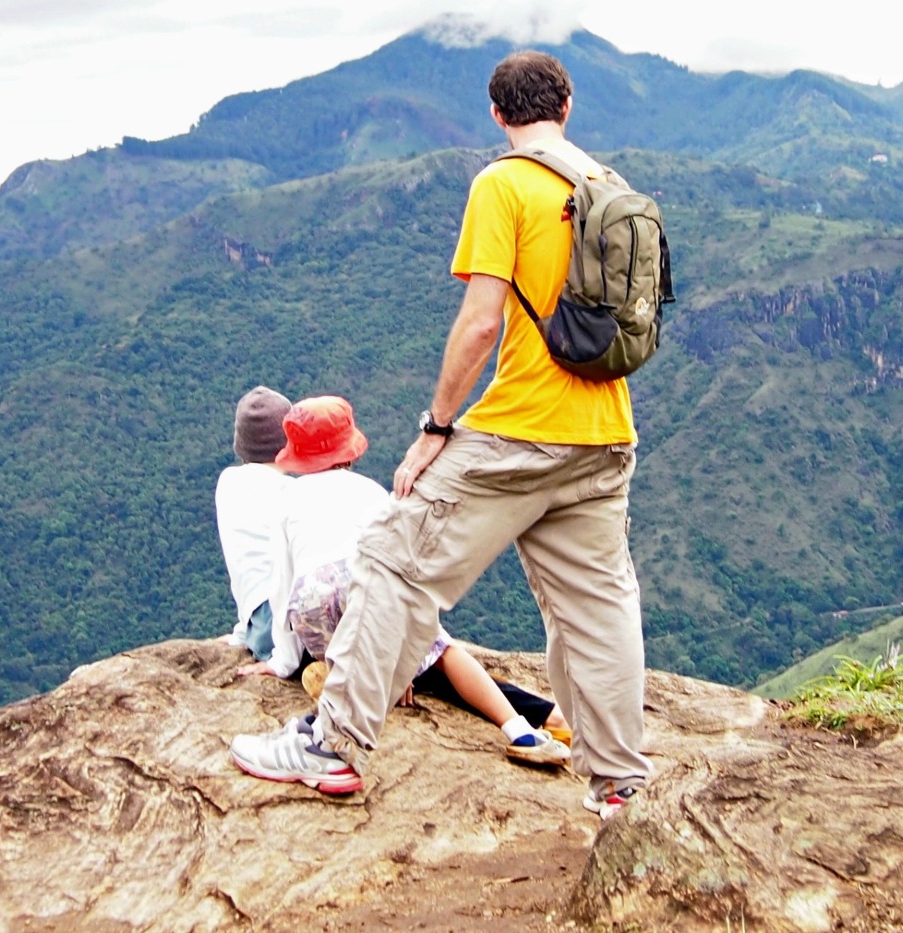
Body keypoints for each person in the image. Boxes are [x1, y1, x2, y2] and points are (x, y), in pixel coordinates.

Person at [242, 50, 653, 819]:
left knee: (393, 562)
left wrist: (436, 426)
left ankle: (332, 746)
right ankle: (621, 784)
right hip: (606, 435)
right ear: (567, 105)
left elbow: (481, 322)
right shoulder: (607, 185)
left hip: (520, 431)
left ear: (498, 115)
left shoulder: (503, 184)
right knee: (598, 609)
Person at [227, 395, 572, 790]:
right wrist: (403, 654)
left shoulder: (288, 501)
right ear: (350, 451)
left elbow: (283, 588)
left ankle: (340, 682)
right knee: (445, 653)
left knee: (336, 630)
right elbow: (404, 567)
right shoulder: (373, 492)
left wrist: (281, 660)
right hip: (367, 588)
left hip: (313, 605)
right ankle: (518, 729)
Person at [213, 385, 299, 663]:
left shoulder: (227, 483)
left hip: (258, 628)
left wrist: (242, 633)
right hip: (287, 631)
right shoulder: (293, 494)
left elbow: (249, 568)